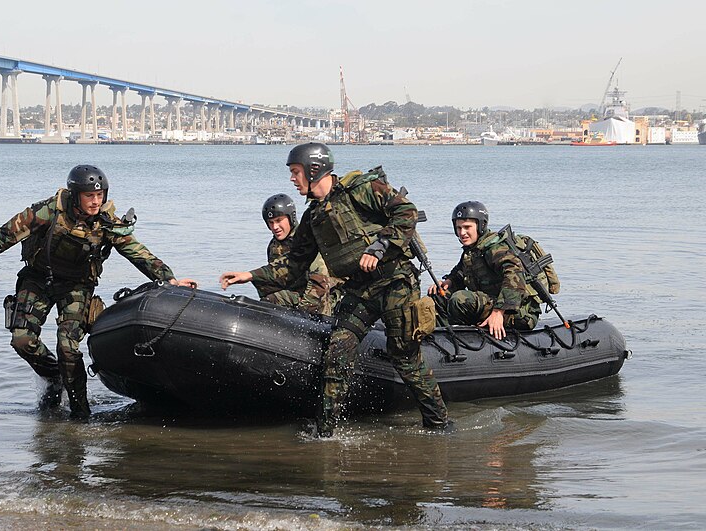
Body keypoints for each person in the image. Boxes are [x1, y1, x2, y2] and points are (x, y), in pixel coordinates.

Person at [220, 143, 449, 437]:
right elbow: (293, 266)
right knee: (337, 352)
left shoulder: (362, 189)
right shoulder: (313, 218)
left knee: (404, 356)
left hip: (394, 281)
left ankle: (439, 425)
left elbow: (406, 213)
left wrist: (378, 248)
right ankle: (326, 433)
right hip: (359, 290)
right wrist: (249, 275)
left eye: (295, 172)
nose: (292, 179)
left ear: (313, 169)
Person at [0, 165, 197, 419]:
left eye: (100, 196)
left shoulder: (107, 222)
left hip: (78, 285)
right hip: (38, 279)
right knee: (22, 339)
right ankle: (53, 376)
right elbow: (1, 237)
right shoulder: (47, 212)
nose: (95, 201)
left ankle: (80, 413)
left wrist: (169, 280)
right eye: (89, 196)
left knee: (68, 347)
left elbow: (137, 252)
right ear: (76, 195)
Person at [428, 201, 540, 340]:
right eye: (459, 228)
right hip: (491, 303)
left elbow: (515, 275)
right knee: (439, 295)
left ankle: (460, 338)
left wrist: (498, 312)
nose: (462, 233)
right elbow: (461, 271)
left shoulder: (494, 248)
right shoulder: (473, 250)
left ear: (481, 226)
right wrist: (449, 282)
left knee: (460, 299)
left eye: (467, 227)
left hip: (517, 312)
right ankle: (441, 337)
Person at [260, 193, 337, 315]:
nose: (275, 227)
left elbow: (320, 281)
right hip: (295, 295)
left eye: (279, 221)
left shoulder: (305, 239)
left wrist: (304, 314)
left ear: (291, 217)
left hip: (320, 296)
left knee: (272, 299)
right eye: (271, 222)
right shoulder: (273, 246)